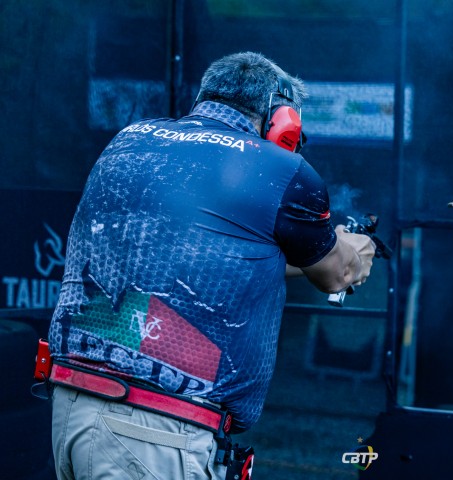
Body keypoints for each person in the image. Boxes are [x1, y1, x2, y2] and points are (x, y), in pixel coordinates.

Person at [47, 51, 376, 479]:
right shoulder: (282, 169)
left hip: (72, 407)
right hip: (156, 429)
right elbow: (337, 273)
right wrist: (355, 248)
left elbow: (215, 257)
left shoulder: (129, 140)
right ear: (283, 121)